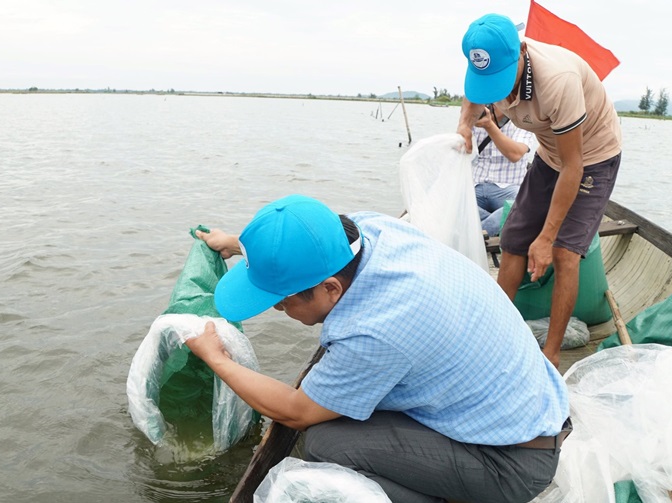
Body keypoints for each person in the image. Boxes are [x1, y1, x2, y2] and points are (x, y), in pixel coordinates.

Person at [186, 194, 570, 503]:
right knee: (336, 417)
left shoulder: (378, 328)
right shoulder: (371, 229)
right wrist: (240, 245)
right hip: (527, 408)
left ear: (330, 289)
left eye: (283, 302)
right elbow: (315, 240)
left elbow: (295, 410)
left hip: (512, 463)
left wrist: (216, 357)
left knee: (325, 441)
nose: (278, 310)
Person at [457, 13, 622, 368]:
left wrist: (546, 237)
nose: (497, 93)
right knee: (514, 236)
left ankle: (552, 350)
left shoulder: (557, 80)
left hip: (591, 157)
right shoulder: (486, 68)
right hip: (550, 154)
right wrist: (464, 126)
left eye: (500, 80)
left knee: (564, 252)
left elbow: (573, 166)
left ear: (521, 51)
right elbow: (473, 94)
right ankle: (495, 331)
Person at [472, 104, 538, 237]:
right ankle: (494, 225)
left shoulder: (523, 121)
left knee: (523, 206)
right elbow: (462, 150)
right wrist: (466, 123)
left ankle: (475, 236)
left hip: (509, 188)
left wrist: (489, 125)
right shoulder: (475, 119)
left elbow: (515, 154)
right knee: (452, 204)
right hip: (475, 185)